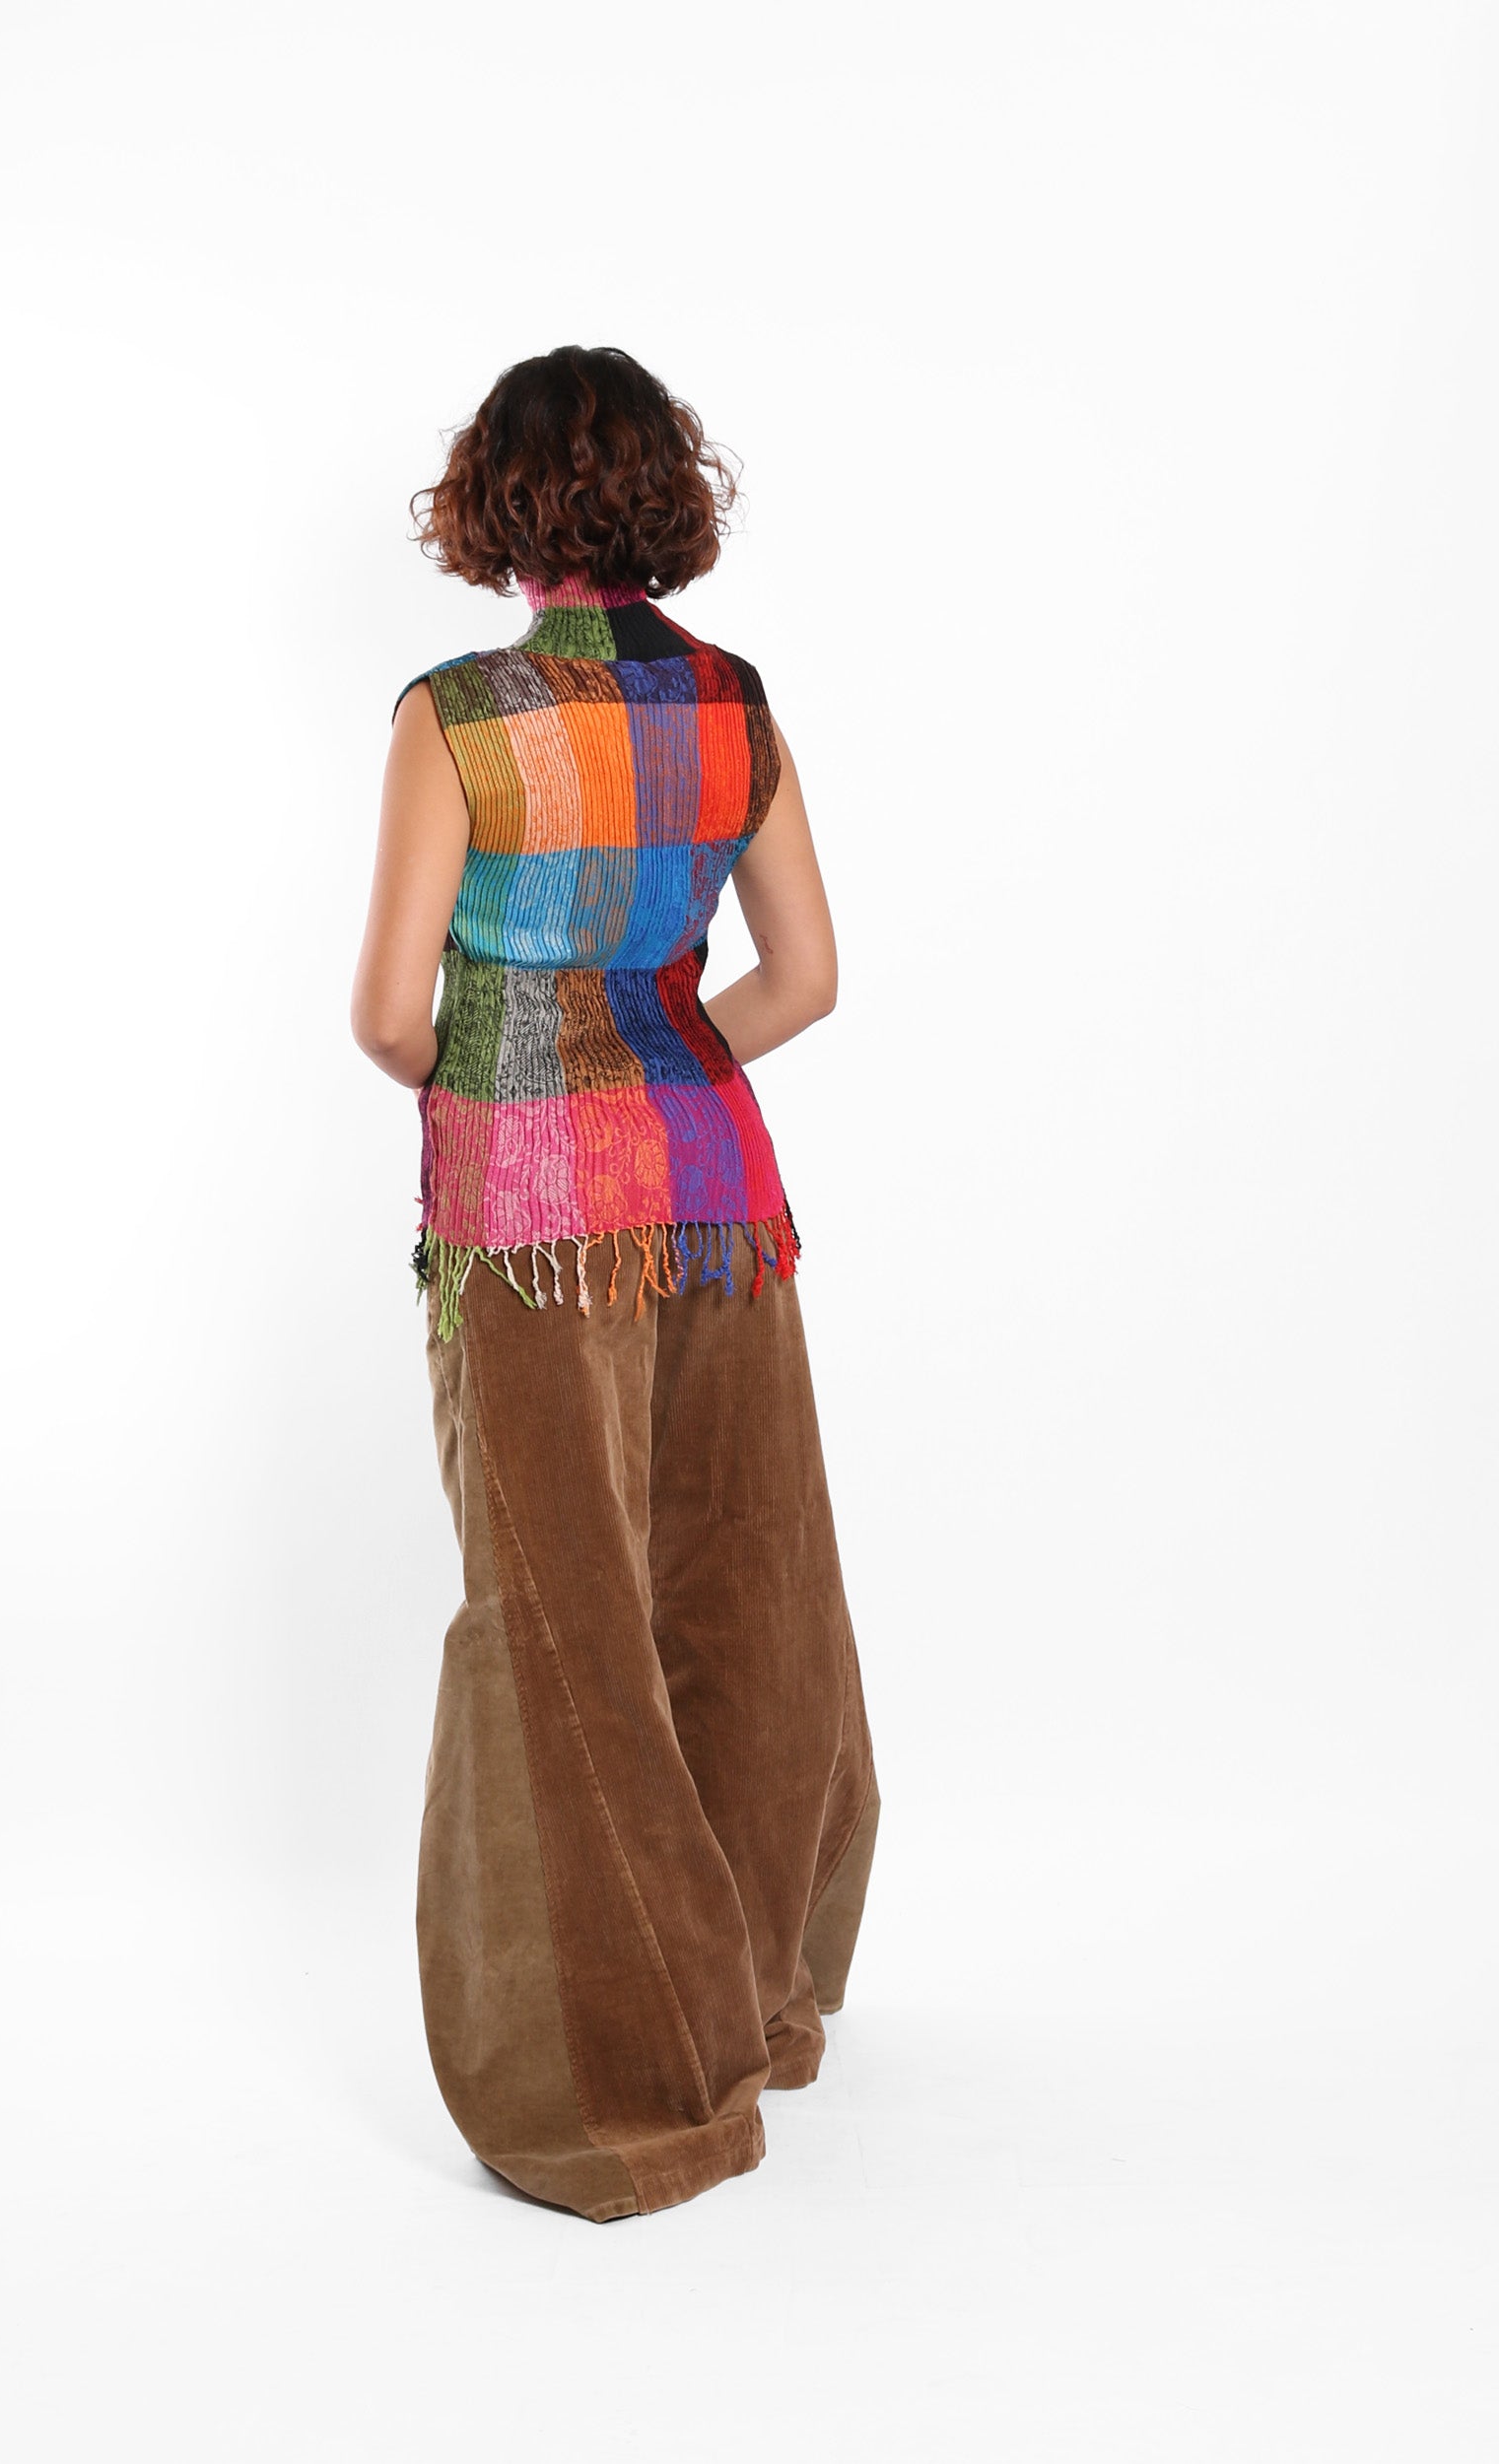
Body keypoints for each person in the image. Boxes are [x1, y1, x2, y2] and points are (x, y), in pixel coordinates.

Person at [351, 345, 877, 2221]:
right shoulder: (735, 706)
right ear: (667, 496)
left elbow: (389, 1017)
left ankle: (626, 2092)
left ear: (496, 504)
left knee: (562, 1619)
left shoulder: (457, 718)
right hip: (721, 1192)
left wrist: (526, 1084)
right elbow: (803, 979)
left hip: (534, 1217)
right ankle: (763, 2002)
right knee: (745, 1584)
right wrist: (661, 1054)